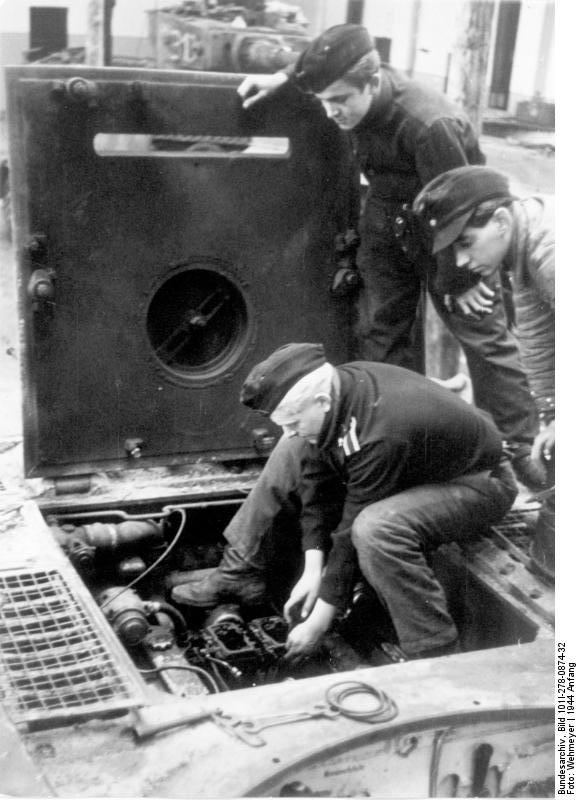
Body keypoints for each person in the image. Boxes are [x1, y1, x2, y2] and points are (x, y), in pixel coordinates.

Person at [236, 23, 542, 488]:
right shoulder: (343, 79)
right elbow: (314, 62)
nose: (331, 111)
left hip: (449, 228)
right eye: (324, 101)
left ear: (373, 83)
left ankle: (522, 452)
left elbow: (462, 207)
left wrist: (459, 280)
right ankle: (403, 442)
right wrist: (282, 77)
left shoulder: (429, 125)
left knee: (483, 335)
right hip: (385, 214)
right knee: (383, 334)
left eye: (340, 100)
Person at [171, 342, 518, 661]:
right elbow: (315, 483)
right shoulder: (337, 389)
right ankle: (241, 570)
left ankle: (434, 650)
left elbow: (351, 530)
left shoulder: (382, 433)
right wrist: (311, 572)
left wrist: (318, 623)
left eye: (292, 421)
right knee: (293, 447)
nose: (288, 429)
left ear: (322, 403)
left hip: (478, 483)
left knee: (377, 529)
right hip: (422, 470)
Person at [412, 165, 554, 576]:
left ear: (501, 221)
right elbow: (540, 340)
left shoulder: (552, 252)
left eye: (466, 243)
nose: (460, 260)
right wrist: (551, 412)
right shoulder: (522, 250)